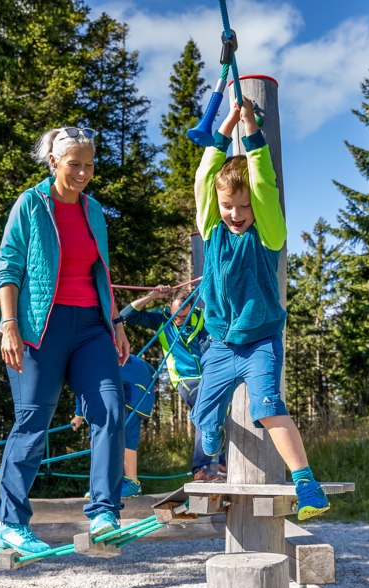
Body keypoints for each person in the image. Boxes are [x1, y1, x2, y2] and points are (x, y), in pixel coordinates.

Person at [0, 125, 131, 555]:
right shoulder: (31, 205)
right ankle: (10, 524)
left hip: (92, 327)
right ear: (53, 162)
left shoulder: (93, 211)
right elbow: (8, 268)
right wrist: (9, 324)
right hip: (40, 327)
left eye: (89, 165)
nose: (83, 173)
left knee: (110, 408)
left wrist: (117, 323)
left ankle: (105, 512)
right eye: (75, 164)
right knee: (33, 422)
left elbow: (101, 272)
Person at [191, 98, 330, 520]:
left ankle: (307, 484)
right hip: (219, 344)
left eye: (244, 207)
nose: (236, 214)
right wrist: (225, 124)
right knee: (202, 415)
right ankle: (211, 439)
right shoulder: (211, 227)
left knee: (268, 409)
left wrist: (250, 127)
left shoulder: (268, 233)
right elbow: (204, 178)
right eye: (229, 206)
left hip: (259, 343)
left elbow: (264, 184)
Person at [119, 285, 226, 481]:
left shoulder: (204, 318)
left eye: (183, 316)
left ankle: (223, 463)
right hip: (185, 379)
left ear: (192, 308)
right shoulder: (161, 318)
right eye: (175, 314)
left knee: (225, 410)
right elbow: (125, 315)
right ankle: (201, 467)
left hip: (209, 377)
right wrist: (153, 296)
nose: (179, 319)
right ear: (170, 307)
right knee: (204, 407)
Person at [72, 353, 157, 498]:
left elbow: (82, 386)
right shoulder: (127, 359)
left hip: (125, 392)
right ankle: (119, 483)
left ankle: (116, 484)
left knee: (106, 436)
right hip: (136, 393)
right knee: (118, 436)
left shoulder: (87, 358)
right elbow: (152, 371)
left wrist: (79, 415)